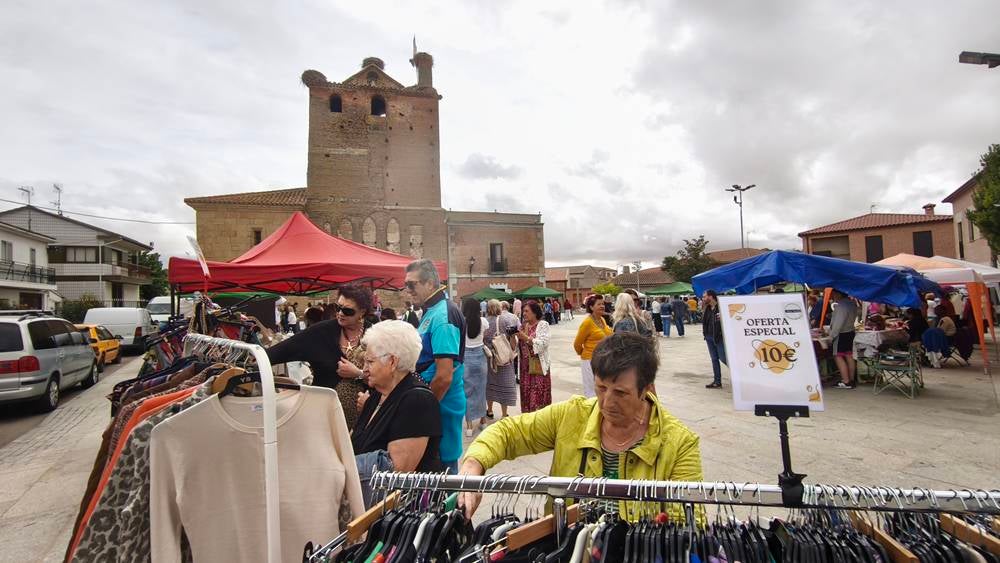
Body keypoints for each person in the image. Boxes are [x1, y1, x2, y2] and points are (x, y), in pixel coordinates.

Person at [458, 332, 704, 523]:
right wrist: (473, 465)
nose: (607, 402)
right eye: (601, 388)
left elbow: (688, 522)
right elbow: (509, 432)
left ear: (647, 389)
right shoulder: (572, 415)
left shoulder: (679, 443)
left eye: (620, 392)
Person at [352, 320, 443, 507]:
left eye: (370, 361)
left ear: (392, 362)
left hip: (402, 514)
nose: (365, 368)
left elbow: (396, 473)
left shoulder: (417, 401)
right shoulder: (378, 393)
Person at [266, 284, 374, 430]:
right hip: (322, 418)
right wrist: (255, 358)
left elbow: (388, 376)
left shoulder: (375, 334)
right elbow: (281, 351)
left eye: (347, 311)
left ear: (362, 312)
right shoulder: (321, 332)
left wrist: (358, 374)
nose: (340, 313)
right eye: (338, 307)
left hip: (364, 421)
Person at [403, 259, 467, 473]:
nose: (407, 290)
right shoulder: (432, 311)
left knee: (442, 478)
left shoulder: (443, 315)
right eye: (406, 284)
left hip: (442, 409)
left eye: (412, 284)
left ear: (430, 283)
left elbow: (444, 376)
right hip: (436, 406)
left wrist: (424, 413)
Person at [574, 294, 614, 398]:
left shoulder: (602, 320)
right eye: (599, 304)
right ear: (591, 307)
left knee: (602, 388)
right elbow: (577, 343)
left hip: (603, 359)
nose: (602, 306)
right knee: (591, 391)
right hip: (589, 360)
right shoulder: (587, 322)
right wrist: (584, 354)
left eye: (603, 304)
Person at [484, 299, 518, 419]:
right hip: (503, 358)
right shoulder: (505, 320)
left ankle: (490, 410)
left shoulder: (485, 322)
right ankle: (504, 414)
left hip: (489, 358)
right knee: (505, 384)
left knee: (490, 384)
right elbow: (513, 339)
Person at [516, 301, 552, 413]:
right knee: (527, 395)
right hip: (525, 368)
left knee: (538, 396)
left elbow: (543, 344)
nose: (524, 313)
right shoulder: (523, 326)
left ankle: (541, 424)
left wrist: (525, 338)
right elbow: (516, 348)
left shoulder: (543, 325)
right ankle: (528, 424)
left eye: (527, 311)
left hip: (538, 367)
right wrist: (513, 337)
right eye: (523, 311)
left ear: (535, 312)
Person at [461, 297, 488, 436]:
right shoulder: (483, 321)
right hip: (480, 355)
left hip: (466, 357)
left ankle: (469, 426)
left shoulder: (462, 322)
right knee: (481, 390)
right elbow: (486, 336)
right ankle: (483, 421)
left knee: (467, 392)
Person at [829, 289, 859, 389]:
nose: (833, 296)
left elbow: (838, 324)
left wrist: (832, 336)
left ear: (838, 294)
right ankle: (851, 380)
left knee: (838, 356)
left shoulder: (841, 306)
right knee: (849, 356)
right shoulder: (852, 304)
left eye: (833, 294)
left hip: (841, 334)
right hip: (850, 332)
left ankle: (846, 381)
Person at [702, 290, 727, 389]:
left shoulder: (721, 307)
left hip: (718, 337)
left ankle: (739, 376)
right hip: (708, 337)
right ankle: (717, 381)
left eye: (704, 296)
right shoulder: (707, 308)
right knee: (714, 359)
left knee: (724, 358)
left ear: (711, 297)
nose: (703, 298)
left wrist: (724, 317)